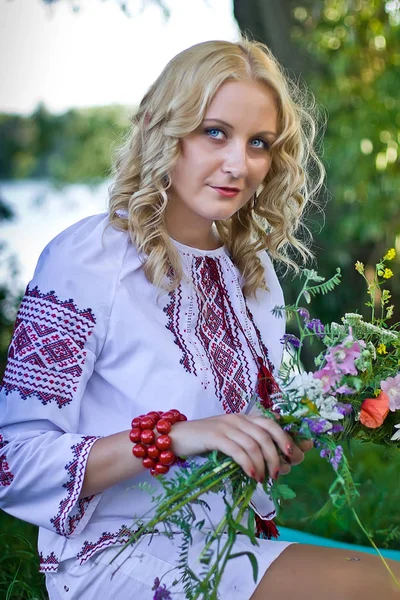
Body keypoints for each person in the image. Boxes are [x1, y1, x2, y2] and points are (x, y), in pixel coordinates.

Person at [0, 38, 399, 600]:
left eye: (259, 143)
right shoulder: (88, 259)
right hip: (119, 553)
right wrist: (178, 436)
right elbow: (13, 463)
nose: (239, 164)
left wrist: (280, 436)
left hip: (232, 542)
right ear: (165, 132)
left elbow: (244, 423)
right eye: (215, 132)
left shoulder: (254, 271)